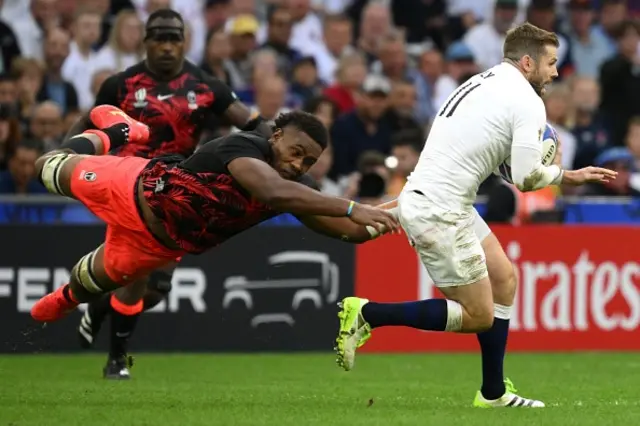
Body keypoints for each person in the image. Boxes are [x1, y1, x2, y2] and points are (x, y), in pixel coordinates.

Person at [334, 23, 617, 408]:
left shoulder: (480, 82)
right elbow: (526, 177)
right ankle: (368, 313)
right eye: (551, 63)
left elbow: (484, 149)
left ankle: (493, 393)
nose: (555, 72)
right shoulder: (528, 102)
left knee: (505, 279)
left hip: (442, 198)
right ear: (528, 61)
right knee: (480, 315)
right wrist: (568, 175)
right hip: (440, 209)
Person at [30, 111, 399, 340]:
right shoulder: (243, 147)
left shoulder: (299, 189)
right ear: (274, 138)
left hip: (156, 245)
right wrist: (353, 207)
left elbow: (350, 232)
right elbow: (271, 191)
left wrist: (398, 213)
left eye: (309, 161)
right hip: (128, 185)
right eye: (296, 151)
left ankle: (64, 301)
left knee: (86, 286)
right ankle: (117, 132)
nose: (299, 164)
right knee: (47, 165)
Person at [65, 8, 275, 379]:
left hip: (177, 190)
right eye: (158, 38)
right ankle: (116, 360)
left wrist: (277, 140)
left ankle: (100, 305)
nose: (166, 47)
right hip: (127, 187)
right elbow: (89, 121)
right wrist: (70, 156)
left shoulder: (207, 87)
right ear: (145, 42)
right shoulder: (121, 84)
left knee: (157, 289)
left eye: (173, 39)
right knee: (137, 275)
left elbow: (253, 123)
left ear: (184, 42)